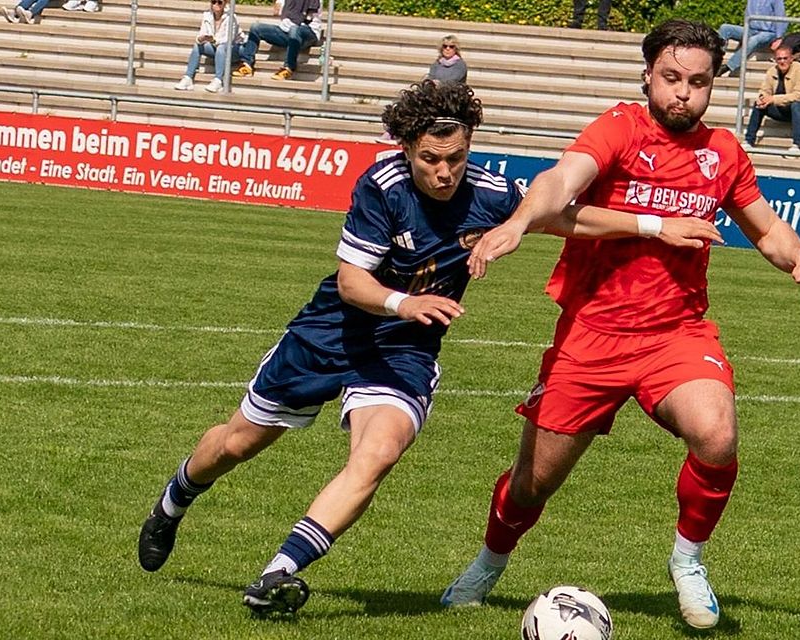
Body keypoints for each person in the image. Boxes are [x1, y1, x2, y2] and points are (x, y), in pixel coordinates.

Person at [136, 79, 722, 616]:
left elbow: (564, 218)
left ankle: (278, 574)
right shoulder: (381, 187)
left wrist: (652, 226)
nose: (445, 172)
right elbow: (351, 284)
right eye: (431, 159)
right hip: (332, 334)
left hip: (405, 352)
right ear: (406, 148)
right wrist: (404, 303)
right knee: (239, 441)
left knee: (378, 453)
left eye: (457, 158)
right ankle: (176, 498)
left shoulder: (489, 194)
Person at [441, 19, 800, 631]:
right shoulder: (620, 128)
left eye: (699, 82)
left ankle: (688, 560)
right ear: (649, 75)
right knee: (532, 484)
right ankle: (490, 563)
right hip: (590, 335)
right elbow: (560, 183)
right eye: (672, 78)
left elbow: (765, 226)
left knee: (717, 433)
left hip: (676, 334)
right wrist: (520, 222)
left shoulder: (724, 152)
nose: (684, 92)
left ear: (713, 86)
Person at [743, 44, 800, 152]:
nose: (782, 62)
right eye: (779, 59)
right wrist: (763, 99)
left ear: (791, 59)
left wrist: (773, 99)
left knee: (796, 105)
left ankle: (798, 145)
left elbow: (799, 96)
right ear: (775, 60)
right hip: (783, 110)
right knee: (759, 104)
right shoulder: (772, 71)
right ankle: (749, 141)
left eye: (785, 58)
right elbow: (764, 90)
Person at [233, 0, 320, 81]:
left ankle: (289, 67)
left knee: (294, 29)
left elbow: (309, 17)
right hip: (286, 32)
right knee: (256, 27)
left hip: (309, 33)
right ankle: (247, 65)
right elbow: (277, 9)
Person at [175, 0, 246, 93]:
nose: (216, 5)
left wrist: (213, 40)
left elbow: (229, 40)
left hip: (235, 50)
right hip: (217, 48)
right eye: (213, 2)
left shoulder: (231, 17)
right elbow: (202, 32)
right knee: (198, 46)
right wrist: (200, 39)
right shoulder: (207, 15)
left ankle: (218, 80)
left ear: (225, 3)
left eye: (219, 2)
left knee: (221, 47)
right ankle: (188, 77)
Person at [717, 0, 787, 77]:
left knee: (754, 40)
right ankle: (716, 57)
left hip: (769, 33)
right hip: (751, 30)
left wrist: (779, 38)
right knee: (725, 28)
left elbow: (781, 18)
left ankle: (727, 67)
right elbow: (747, 16)